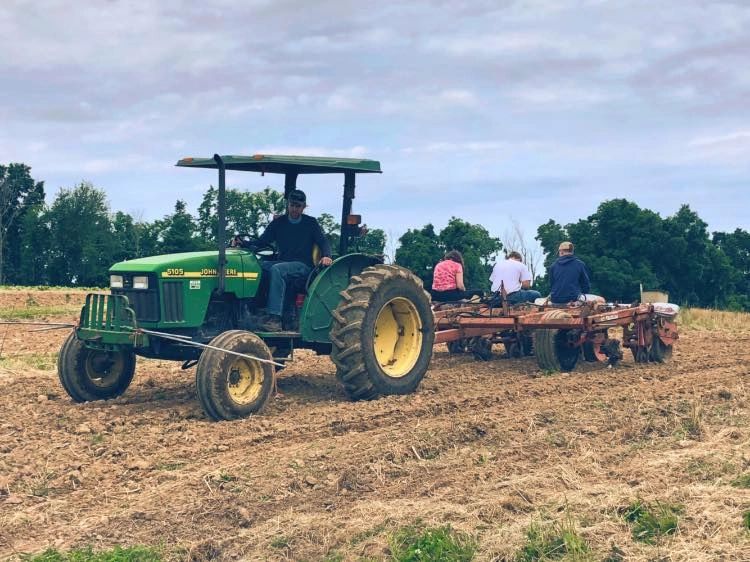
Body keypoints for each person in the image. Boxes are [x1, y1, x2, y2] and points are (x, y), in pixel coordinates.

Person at [241, 189, 332, 331]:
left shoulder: (310, 223)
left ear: (303, 207)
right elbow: (261, 242)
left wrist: (327, 256)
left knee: (277, 269)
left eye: (298, 206)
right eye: (292, 205)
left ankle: (275, 318)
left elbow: (323, 242)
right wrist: (243, 243)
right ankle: (254, 310)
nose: (294, 209)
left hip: (303, 265)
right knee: (258, 267)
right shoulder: (279, 223)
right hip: (283, 261)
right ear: (288, 205)